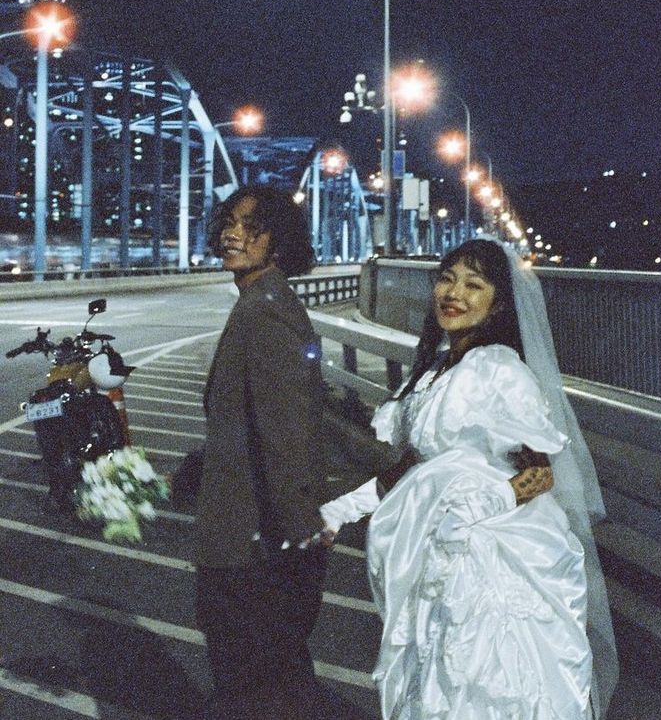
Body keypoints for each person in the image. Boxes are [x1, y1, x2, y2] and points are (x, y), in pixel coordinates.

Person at [320, 238, 618, 719]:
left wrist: (479, 508)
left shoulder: (500, 369)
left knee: (482, 682)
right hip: (431, 551)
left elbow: (540, 473)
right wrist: (337, 511)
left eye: (473, 284)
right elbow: (407, 469)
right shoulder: (434, 369)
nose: (454, 292)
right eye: (447, 278)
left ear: (498, 303)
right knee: (433, 676)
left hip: (488, 557)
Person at [193, 185, 329, 720]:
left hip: (252, 551)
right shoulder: (260, 302)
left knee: (255, 687)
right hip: (256, 540)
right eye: (229, 221)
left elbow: (288, 440)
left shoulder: (265, 315)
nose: (233, 233)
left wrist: (299, 549)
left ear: (279, 242)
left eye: (252, 226)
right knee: (275, 683)